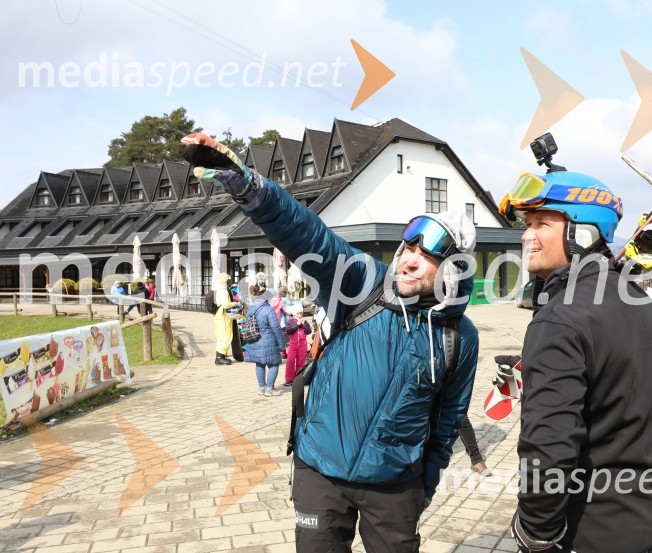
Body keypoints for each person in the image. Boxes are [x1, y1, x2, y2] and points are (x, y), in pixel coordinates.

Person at [182, 133, 479, 553]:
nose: (410, 259)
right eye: (408, 246)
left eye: (428, 255)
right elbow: (311, 237)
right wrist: (254, 191)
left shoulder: (459, 336)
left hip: (395, 485)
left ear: (453, 269)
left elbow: (449, 420)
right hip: (320, 469)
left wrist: (423, 488)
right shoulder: (362, 283)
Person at [499, 168, 652, 553]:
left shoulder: (561, 318)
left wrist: (536, 531)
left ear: (582, 232)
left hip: (590, 532)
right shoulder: (639, 300)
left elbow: (549, 445)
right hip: (651, 522)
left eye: (541, 223)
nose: (526, 235)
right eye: (527, 224)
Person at [245, 284, 286, 397]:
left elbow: (247, 325)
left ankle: (262, 388)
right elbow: (276, 328)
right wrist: (281, 344)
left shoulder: (250, 309)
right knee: (274, 364)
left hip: (255, 340)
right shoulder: (268, 310)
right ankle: (270, 389)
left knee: (259, 363)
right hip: (268, 341)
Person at [214, 272, 241, 365]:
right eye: (227, 280)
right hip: (224, 315)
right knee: (226, 335)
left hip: (219, 315)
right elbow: (226, 305)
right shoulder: (223, 291)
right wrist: (235, 303)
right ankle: (220, 357)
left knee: (221, 335)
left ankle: (220, 355)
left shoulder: (218, 289)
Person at [283, 303, 310, 387]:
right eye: (298, 313)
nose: (300, 315)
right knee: (290, 361)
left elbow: (308, 331)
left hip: (303, 345)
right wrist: (297, 324)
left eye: (301, 313)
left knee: (301, 362)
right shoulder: (290, 321)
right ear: (294, 314)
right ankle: (289, 379)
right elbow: (289, 331)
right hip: (293, 345)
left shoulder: (304, 321)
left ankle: (299, 379)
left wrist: (304, 325)